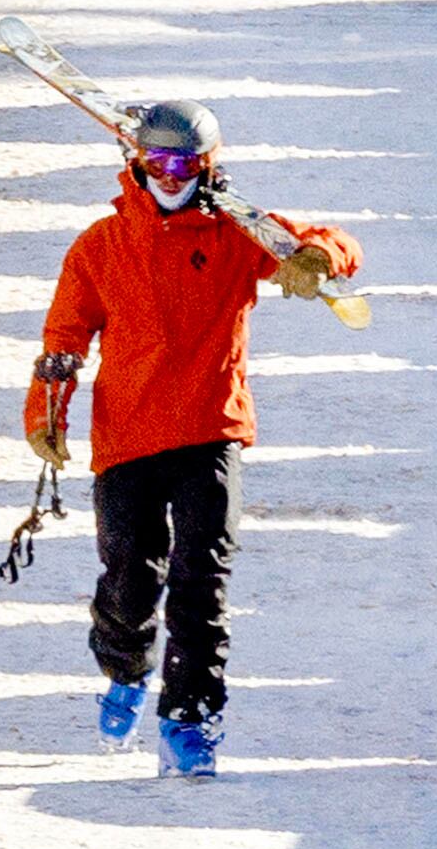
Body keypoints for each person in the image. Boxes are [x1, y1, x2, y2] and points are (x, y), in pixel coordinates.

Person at [27, 99, 361, 777]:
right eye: (159, 161)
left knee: (201, 579)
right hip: (128, 434)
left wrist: (319, 258)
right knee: (130, 574)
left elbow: (336, 242)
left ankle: (191, 717)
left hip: (212, 429)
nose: (172, 175)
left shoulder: (239, 235)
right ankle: (124, 669)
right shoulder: (101, 244)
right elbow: (65, 335)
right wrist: (48, 409)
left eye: (187, 163)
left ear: (208, 166)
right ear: (137, 162)